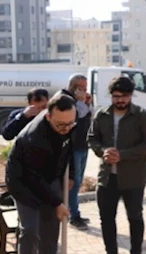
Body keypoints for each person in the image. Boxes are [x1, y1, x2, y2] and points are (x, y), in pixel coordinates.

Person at [6, 92, 76, 254]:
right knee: (30, 231)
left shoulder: (68, 124)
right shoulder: (33, 138)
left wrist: (70, 175)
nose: (66, 129)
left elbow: (69, 149)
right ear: (48, 116)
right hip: (24, 183)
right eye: (61, 125)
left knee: (50, 231)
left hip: (49, 178)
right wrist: (57, 202)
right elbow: (34, 178)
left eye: (70, 124)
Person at [87, 76, 146, 254]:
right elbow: (92, 139)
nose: (120, 101)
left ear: (131, 95)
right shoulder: (102, 115)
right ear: (111, 96)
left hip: (134, 178)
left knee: (135, 217)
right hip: (107, 177)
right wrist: (103, 152)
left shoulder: (142, 116)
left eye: (124, 96)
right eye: (116, 96)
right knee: (106, 218)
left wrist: (122, 155)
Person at [62, 74, 92, 230]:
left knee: (77, 182)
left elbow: (88, 116)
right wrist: (81, 102)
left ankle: (74, 212)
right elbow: (78, 115)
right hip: (72, 148)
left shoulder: (80, 101)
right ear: (73, 87)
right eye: (81, 88)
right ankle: (74, 215)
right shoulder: (66, 99)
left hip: (83, 146)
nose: (84, 91)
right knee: (73, 182)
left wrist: (87, 102)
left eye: (86, 88)